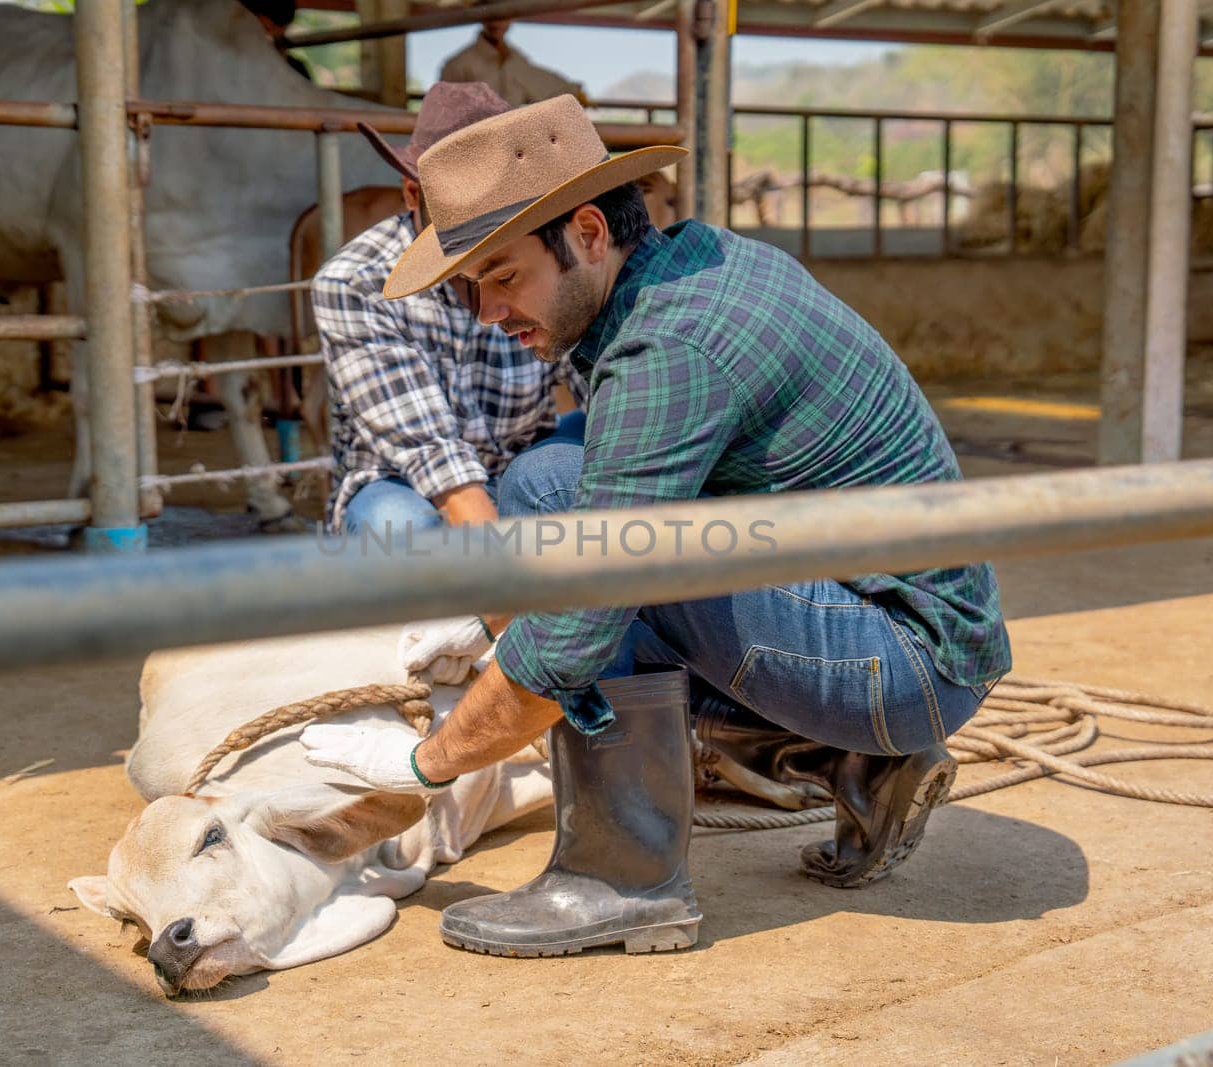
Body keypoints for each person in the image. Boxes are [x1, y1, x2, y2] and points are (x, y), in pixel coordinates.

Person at [301, 96, 1012, 957]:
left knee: (554, 516)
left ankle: (618, 878)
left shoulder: (668, 349)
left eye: (503, 275)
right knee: (555, 481)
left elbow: (573, 629)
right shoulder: (697, 263)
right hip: (889, 616)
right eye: (473, 286)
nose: (488, 313)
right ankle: (840, 761)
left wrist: (426, 763)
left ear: (591, 232)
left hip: (902, 661)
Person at [312, 84, 585, 677]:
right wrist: (510, 592)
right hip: (406, 483)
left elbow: (592, 372)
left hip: (521, 460)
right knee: (399, 530)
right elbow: (430, 450)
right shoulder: (354, 281)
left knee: (619, 430)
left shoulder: (541, 254)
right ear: (413, 193)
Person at [437, 0, 587, 107]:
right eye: (490, 11)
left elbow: (539, 82)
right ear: (480, 13)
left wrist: (571, 92)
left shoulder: (517, 59)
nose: (496, 20)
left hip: (510, 144)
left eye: (504, 12)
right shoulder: (457, 66)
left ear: (513, 15)